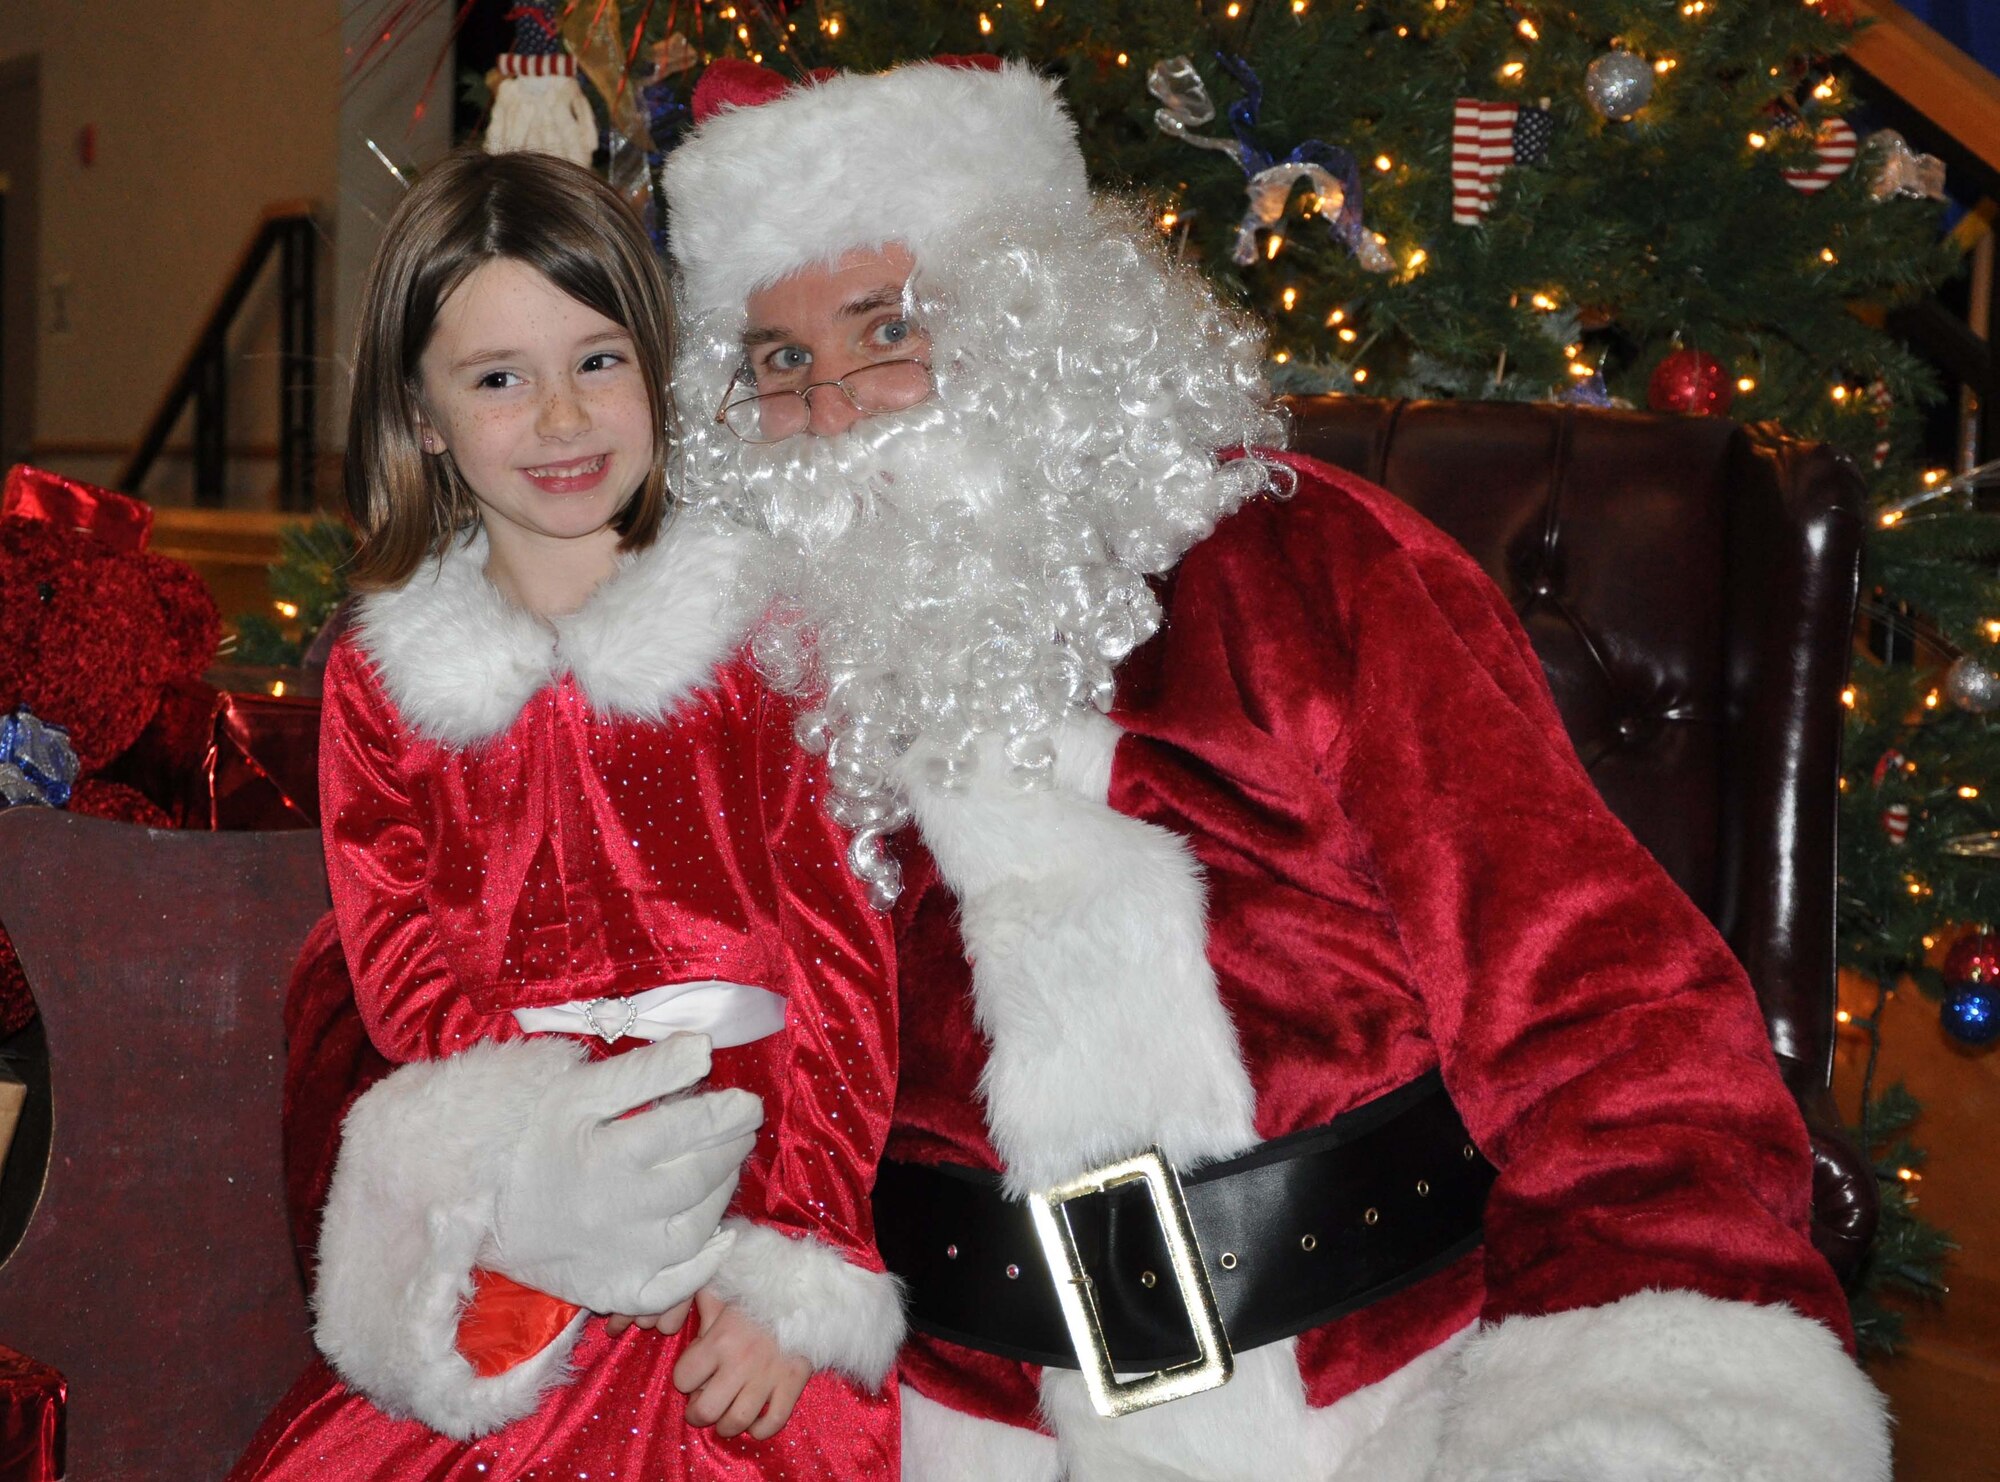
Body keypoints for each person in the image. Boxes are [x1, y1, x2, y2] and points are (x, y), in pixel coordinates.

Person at [653, 57, 1893, 1481]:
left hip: (1381, 1408)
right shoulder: (740, 687)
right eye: (780, 362)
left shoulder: (1307, 568)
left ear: (1032, 321)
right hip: (941, 1429)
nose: (837, 410)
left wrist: (1647, 1409)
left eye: (887, 329)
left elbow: (1604, 1012)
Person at [229, 148, 902, 1480]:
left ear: (657, 370)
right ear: (420, 415)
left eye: (597, 360)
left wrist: (798, 1254)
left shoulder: (764, 633)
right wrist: (551, 1191)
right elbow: (410, 982)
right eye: (498, 378)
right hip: (523, 1217)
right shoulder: (386, 674)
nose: (559, 419)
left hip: (747, 1191)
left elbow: (843, 957)